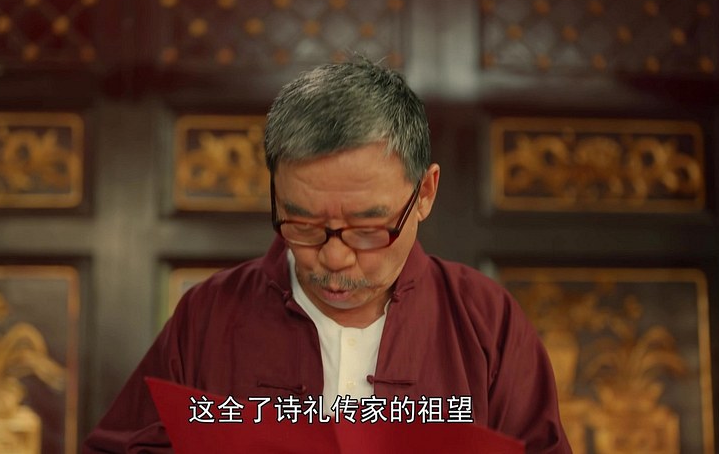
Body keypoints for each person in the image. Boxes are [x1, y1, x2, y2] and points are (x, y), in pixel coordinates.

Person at [84, 58, 571, 453]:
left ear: (425, 193)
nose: (334, 258)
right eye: (303, 226)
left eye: (367, 229)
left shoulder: (485, 322)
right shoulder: (209, 315)